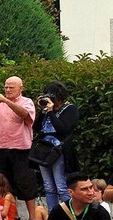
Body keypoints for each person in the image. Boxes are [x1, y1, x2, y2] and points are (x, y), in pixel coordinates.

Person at [0, 76, 39, 220]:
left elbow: (26, 116)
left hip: (20, 148)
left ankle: (33, 218)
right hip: (1, 146)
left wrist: (7, 101)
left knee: (25, 182)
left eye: (11, 87)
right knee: (5, 183)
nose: (8, 90)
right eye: (6, 87)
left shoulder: (26, 102)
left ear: (21, 88)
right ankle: (12, 216)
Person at [33, 81, 79, 212]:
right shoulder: (47, 110)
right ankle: (53, 217)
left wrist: (51, 112)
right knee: (48, 187)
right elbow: (36, 127)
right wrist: (43, 111)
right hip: (44, 150)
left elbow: (63, 129)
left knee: (61, 186)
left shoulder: (70, 109)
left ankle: (69, 217)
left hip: (59, 151)